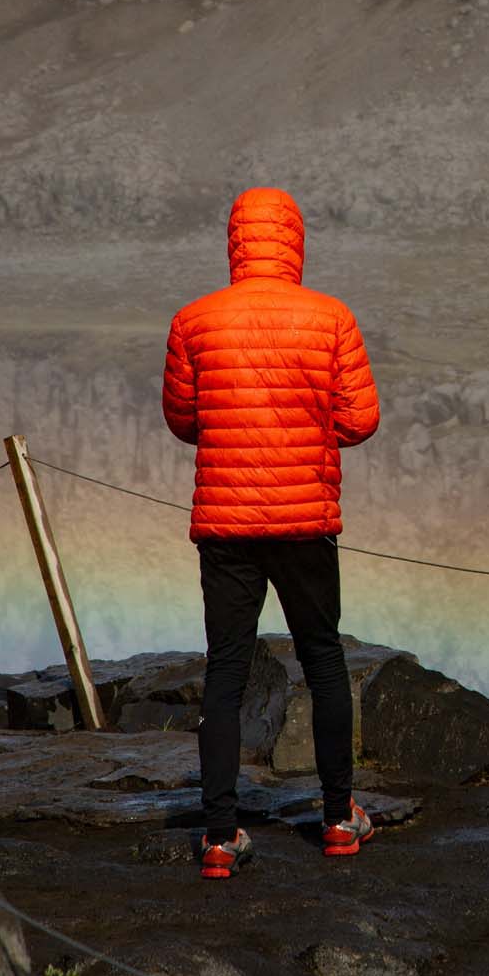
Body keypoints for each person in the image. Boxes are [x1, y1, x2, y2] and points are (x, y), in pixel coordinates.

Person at [164, 187, 381, 879]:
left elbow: (183, 418)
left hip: (226, 523)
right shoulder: (331, 318)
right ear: (294, 240)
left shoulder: (194, 321)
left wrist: (233, 432)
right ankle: (341, 818)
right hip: (305, 519)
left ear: (236, 242)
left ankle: (221, 836)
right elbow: (360, 420)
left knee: (226, 670)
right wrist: (310, 432)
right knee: (322, 661)